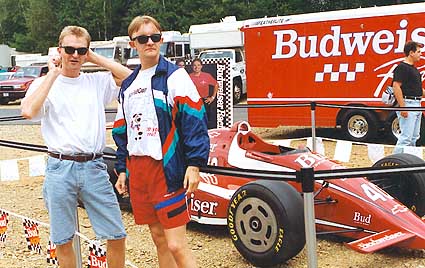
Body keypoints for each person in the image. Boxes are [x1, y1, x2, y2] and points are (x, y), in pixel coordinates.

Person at [21, 26, 131, 268]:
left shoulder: (96, 81)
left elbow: (130, 78)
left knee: (116, 235)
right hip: (60, 168)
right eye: (69, 49)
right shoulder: (44, 83)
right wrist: (52, 73)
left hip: (94, 167)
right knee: (63, 239)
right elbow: (28, 111)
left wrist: (94, 57)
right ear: (59, 50)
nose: (74, 55)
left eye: (80, 50)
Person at [112, 16, 209, 268]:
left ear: (162, 39)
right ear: (133, 44)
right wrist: (122, 168)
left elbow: (195, 119)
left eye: (154, 37)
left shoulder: (175, 76)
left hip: (166, 168)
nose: (150, 42)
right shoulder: (129, 84)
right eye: (143, 38)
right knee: (158, 239)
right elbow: (122, 130)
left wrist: (195, 163)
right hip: (138, 169)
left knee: (177, 244)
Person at [393, 40, 424, 154]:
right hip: (408, 103)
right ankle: (395, 164)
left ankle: (409, 163)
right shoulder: (402, 67)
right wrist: (403, 107)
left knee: (414, 136)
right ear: (411, 53)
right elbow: (396, 86)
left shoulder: (414, 69)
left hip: (416, 104)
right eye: (419, 52)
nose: (421, 54)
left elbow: (418, 89)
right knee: (406, 137)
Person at [189, 58, 219, 129]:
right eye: (194, 65)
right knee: (195, 121)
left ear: (201, 66)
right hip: (194, 101)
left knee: (205, 121)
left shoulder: (207, 75)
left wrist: (212, 97)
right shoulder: (188, 77)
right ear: (192, 67)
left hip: (205, 101)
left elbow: (216, 84)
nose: (196, 67)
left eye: (198, 65)